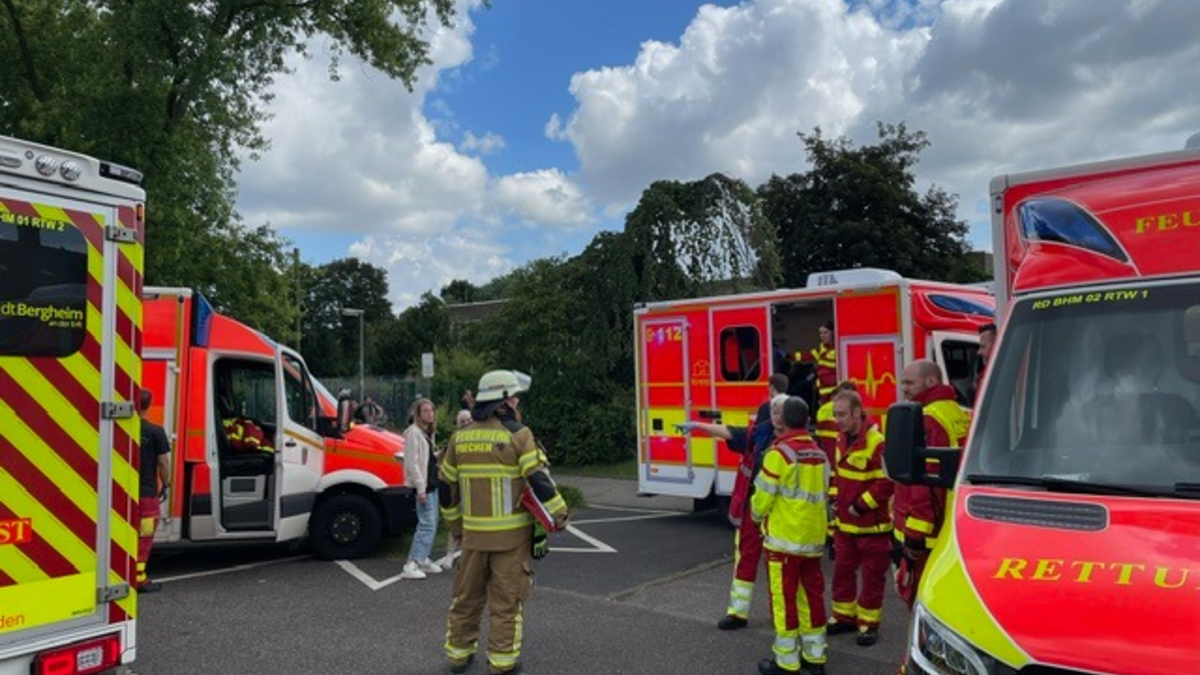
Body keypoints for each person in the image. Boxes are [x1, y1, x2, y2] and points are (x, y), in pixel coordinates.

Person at [441, 370, 568, 675]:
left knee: (466, 598)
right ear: (504, 400)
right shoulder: (519, 434)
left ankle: (458, 656)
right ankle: (501, 662)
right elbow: (538, 480)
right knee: (506, 601)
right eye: (514, 397)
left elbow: (446, 490)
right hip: (510, 540)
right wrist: (560, 514)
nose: (517, 401)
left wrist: (456, 528)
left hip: (472, 538)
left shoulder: (459, 438)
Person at [678, 373, 788, 630]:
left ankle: (782, 617)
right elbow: (730, 432)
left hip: (779, 513)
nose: (771, 419)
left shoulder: (790, 443)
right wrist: (700, 426)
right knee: (745, 559)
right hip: (754, 509)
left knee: (779, 568)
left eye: (776, 414)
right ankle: (738, 612)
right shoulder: (758, 437)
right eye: (770, 414)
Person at [751, 396, 830, 675]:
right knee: (812, 598)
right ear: (807, 421)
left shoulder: (780, 453)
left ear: (780, 421)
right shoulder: (819, 453)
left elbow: (763, 497)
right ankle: (815, 657)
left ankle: (786, 662)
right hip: (813, 539)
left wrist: (756, 516)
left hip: (784, 541)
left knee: (784, 602)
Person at [892, 359, 972, 609]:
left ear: (930, 381)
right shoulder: (959, 412)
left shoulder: (927, 419)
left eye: (909, 382)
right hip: (951, 520)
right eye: (902, 382)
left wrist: (915, 535)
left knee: (921, 603)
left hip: (927, 533)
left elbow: (924, 482)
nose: (904, 388)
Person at [825, 389, 893, 647]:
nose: (837, 420)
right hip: (844, 525)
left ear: (856, 413)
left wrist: (862, 505)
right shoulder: (841, 439)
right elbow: (838, 477)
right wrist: (834, 499)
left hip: (871, 526)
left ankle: (868, 623)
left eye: (842, 414)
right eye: (835, 414)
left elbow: (887, 482)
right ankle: (844, 617)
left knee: (872, 577)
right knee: (843, 572)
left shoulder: (877, 442)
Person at [401, 397, 443, 579]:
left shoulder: (427, 433)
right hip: (423, 485)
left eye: (431, 410)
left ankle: (423, 557)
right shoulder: (413, 434)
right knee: (426, 523)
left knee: (433, 521)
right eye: (425, 411)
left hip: (432, 483)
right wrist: (420, 488)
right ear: (417, 414)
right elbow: (412, 463)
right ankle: (413, 563)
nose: (430, 414)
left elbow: (427, 458)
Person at [136, 389, 171, 593]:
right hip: (146, 494)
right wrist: (166, 484)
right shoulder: (155, 431)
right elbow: (163, 462)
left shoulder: (121, 428)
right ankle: (139, 579)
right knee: (144, 536)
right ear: (150, 405)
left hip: (122, 493)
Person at [793, 321, 837, 407]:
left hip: (834, 391)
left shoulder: (837, 349)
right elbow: (806, 356)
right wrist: (787, 355)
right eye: (820, 333)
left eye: (825, 332)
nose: (822, 336)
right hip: (822, 390)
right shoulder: (821, 349)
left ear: (833, 332)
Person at [974, 323, 997, 403]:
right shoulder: (985, 376)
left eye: (983, 346)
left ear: (996, 345)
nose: (978, 352)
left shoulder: (997, 377)